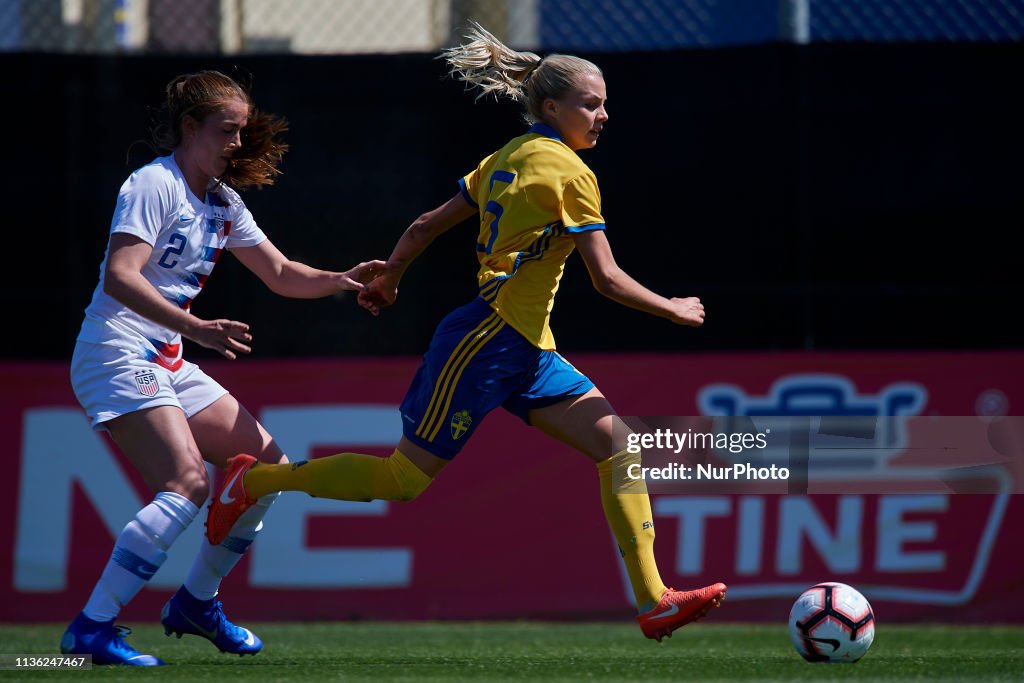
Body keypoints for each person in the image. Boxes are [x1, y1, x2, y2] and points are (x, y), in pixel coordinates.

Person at [206, 24, 727, 642]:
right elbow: (608, 280)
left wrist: (393, 274)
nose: (603, 115)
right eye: (592, 104)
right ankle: (253, 479)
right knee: (403, 481)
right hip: (487, 340)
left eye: (605, 103)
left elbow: (427, 223)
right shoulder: (570, 172)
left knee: (620, 447)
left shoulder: (504, 157)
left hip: (528, 349)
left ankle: (654, 599)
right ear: (552, 107)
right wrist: (673, 308)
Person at [61, 70, 383, 666]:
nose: (238, 143)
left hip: (166, 355)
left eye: (241, 130)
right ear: (189, 127)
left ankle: (196, 602)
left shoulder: (222, 200)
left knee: (267, 470)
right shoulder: (153, 184)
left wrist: (342, 281)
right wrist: (198, 329)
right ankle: (92, 627)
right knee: (186, 482)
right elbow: (119, 276)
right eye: (226, 130)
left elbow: (282, 274)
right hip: (116, 350)